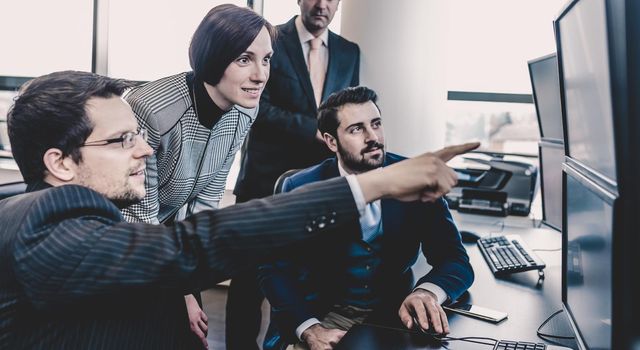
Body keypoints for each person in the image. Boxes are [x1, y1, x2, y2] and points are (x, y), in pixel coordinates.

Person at [0, 71, 478, 349]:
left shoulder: (97, 221)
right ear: (59, 163)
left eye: (139, 134)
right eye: (123, 140)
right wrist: (377, 184)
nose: (146, 149)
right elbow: (190, 246)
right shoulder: (38, 225)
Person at [258, 86, 475, 350]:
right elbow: (274, 271)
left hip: (392, 315)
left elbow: (455, 259)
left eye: (376, 124)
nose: (373, 137)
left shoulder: (417, 178)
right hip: (321, 315)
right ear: (331, 141)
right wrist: (309, 328)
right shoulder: (300, 187)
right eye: (357, 129)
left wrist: (426, 291)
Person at [119, 4, 275, 346]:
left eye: (266, 59)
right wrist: (181, 294)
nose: (261, 75)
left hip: (172, 245)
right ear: (213, 56)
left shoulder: (246, 109)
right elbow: (137, 214)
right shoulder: (152, 109)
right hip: (126, 244)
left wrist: (189, 281)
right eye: (245, 59)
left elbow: (207, 198)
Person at [231, 1, 360, 347]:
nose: (322, 5)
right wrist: (312, 131)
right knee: (247, 282)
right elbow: (256, 105)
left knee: (299, 277)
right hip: (264, 182)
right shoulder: (271, 40)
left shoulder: (349, 52)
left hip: (320, 186)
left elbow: (351, 108)